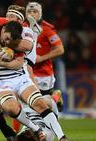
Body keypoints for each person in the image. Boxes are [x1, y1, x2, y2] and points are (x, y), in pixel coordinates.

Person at [12, 1, 65, 133]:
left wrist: (42, 58)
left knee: (41, 103)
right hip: (25, 71)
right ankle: (18, 134)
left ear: (40, 14)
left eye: (35, 11)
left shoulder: (47, 30)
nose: (31, 14)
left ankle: (54, 100)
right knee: (20, 102)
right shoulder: (21, 28)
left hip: (43, 74)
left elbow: (60, 49)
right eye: (29, 11)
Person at [0, 99, 73, 141]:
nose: (27, 130)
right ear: (35, 139)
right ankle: (56, 97)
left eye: (25, 132)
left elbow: (3, 127)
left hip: (26, 111)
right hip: (46, 111)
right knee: (45, 98)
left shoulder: (19, 139)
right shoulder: (46, 137)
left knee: (16, 102)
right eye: (28, 133)